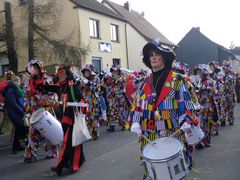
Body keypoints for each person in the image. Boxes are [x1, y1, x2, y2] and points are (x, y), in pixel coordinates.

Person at [128, 40, 199, 179]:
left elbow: (184, 103)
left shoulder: (177, 80)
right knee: (152, 173)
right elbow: (137, 105)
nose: (153, 57)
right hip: (148, 135)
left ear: (164, 58)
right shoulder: (144, 82)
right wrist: (135, 122)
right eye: (151, 55)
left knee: (173, 172)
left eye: (157, 54)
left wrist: (186, 120)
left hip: (171, 132)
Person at [51, 65, 85, 176]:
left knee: (69, 142)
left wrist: (78, 106)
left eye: (62, 74)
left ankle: (60, 166)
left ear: (67, 75)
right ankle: (76, 160)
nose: (60, 76)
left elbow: (81, 99)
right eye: (59, 74)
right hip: (64, 117)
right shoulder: (60, 87)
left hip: (72, 118)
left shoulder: (72, 86)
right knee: (72, 141)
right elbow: (47, 88)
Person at [24, 60, 59, 162]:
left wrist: (47, 100)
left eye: (35, 68)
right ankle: (31, 155)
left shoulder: (47, 79)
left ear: (39, 68)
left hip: (46, 110)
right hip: (34, 110)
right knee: (32, 133)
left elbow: (54, 94)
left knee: (49, 131)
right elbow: (27, 96)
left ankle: (51, 152)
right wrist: (27, 109)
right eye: (31, 69)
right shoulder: (29, 81)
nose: (33, 70)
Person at [3, 75, 26, 154]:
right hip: (13, 111)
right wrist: (22, 112)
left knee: (20, 127)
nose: (19, 83)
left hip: (17, 111)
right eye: (17, 81)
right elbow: (13, 104)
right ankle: (15, 148)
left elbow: (20, 100)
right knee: (18, 127)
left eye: (19, 81)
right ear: (14, 81)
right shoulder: (10, 90)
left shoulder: (16, 89)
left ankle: (18, 145)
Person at [107, 65, 129, 132]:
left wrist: (116, 82)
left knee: (121, 111)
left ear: (118, 71)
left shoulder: (123, 77)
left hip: (120, 97)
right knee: (111, 111)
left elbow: (123, 86)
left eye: (115, 70)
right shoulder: (110, 77)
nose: (114, 72)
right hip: (112, 97)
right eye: (113, 70)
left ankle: (123, 124)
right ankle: (112, 125)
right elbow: (106, 85)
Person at [81, 64, 101, 140]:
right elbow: (81, 90)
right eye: (85, 71)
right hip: (86, 101)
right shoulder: (83, 79)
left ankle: (95, 131)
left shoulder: (96, 78)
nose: (86, 73)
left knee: (94, 116)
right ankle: (90, 131)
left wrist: (90, 85)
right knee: (87, 117)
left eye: (87, 71)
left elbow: (97, 89)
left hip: (93, 101)